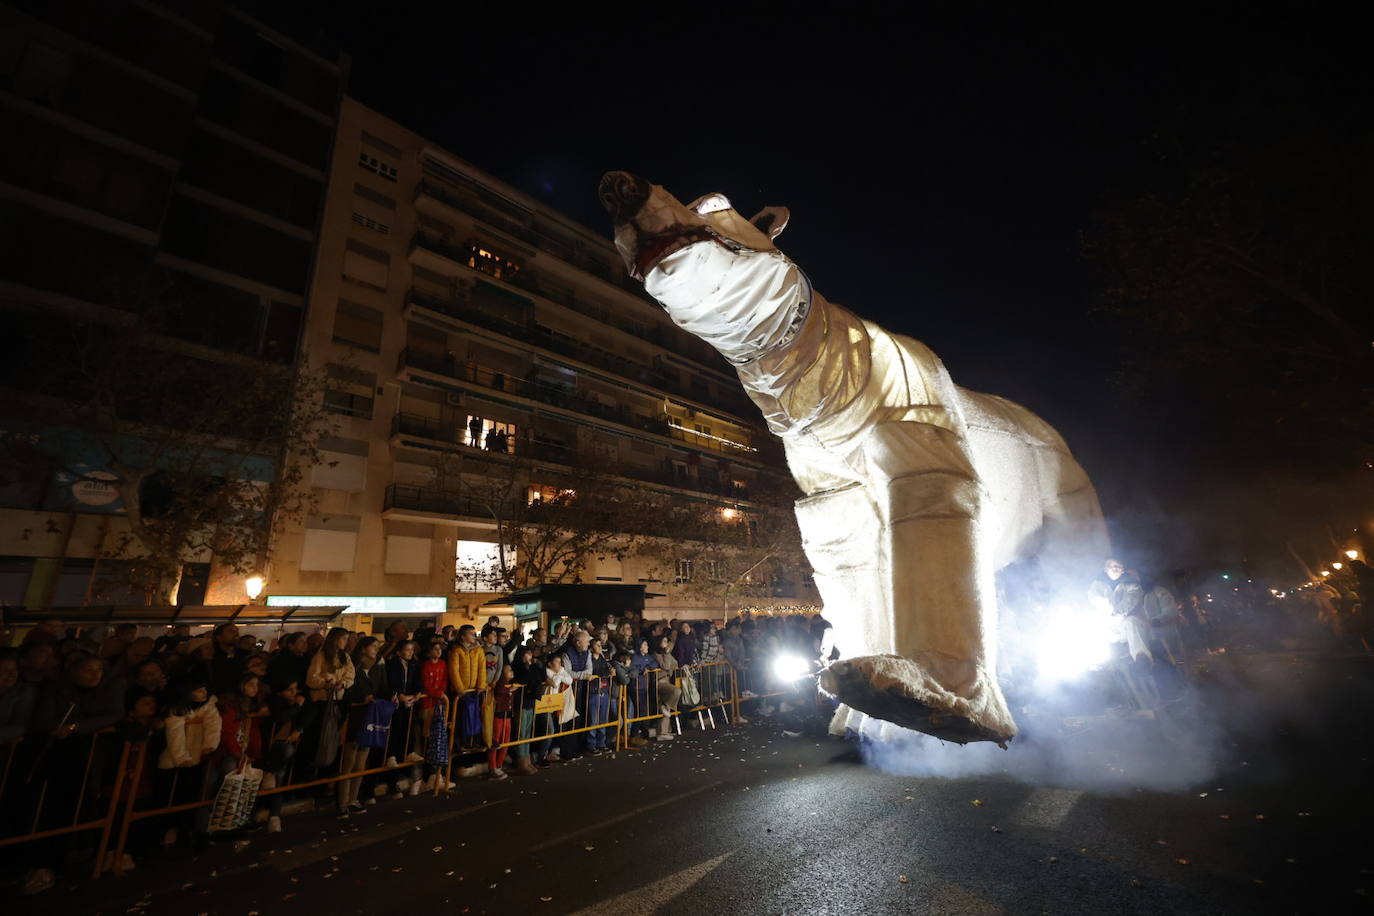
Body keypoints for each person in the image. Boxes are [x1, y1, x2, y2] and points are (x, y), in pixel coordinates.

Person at [486, 664, 516, 779]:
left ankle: (499, 765)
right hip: (498, 716)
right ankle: (492, 767)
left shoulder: (510, 684)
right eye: (508, 670)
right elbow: (499, 690)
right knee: (495, 742)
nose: (511, 671)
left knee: (506, 741)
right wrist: (510, 689)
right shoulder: (500, 684)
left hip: (507, 716)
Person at [651, 635, 682, 740]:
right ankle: (663, 731)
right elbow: (666, 666)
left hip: (666, 681)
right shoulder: (656, 654)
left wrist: (669, 651)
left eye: (666, 641)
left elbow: (675, 663)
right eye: (663, 641)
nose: (665, 643)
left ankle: (663, 732)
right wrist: (667, 653)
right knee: (676, 691)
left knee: (666, 707)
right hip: (659, 682)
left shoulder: (665, 653)